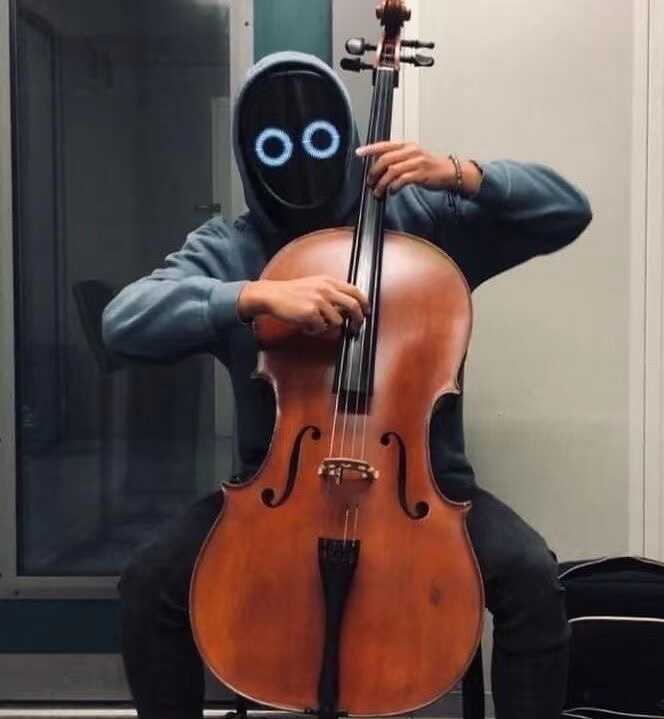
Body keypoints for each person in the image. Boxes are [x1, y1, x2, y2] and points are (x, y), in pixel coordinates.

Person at [102, 51, 592, 719]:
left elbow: (567, 211)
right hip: (274, 494)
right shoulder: (231, 247)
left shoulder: (422, 222)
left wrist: (460, 173)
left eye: (320, 140)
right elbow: (122, 322)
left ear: (347, 138)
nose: (300, 161)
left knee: (532, 578)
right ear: (249, 156)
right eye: (273, 147)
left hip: (423, 488)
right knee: (148, 585)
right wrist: (251, 296)